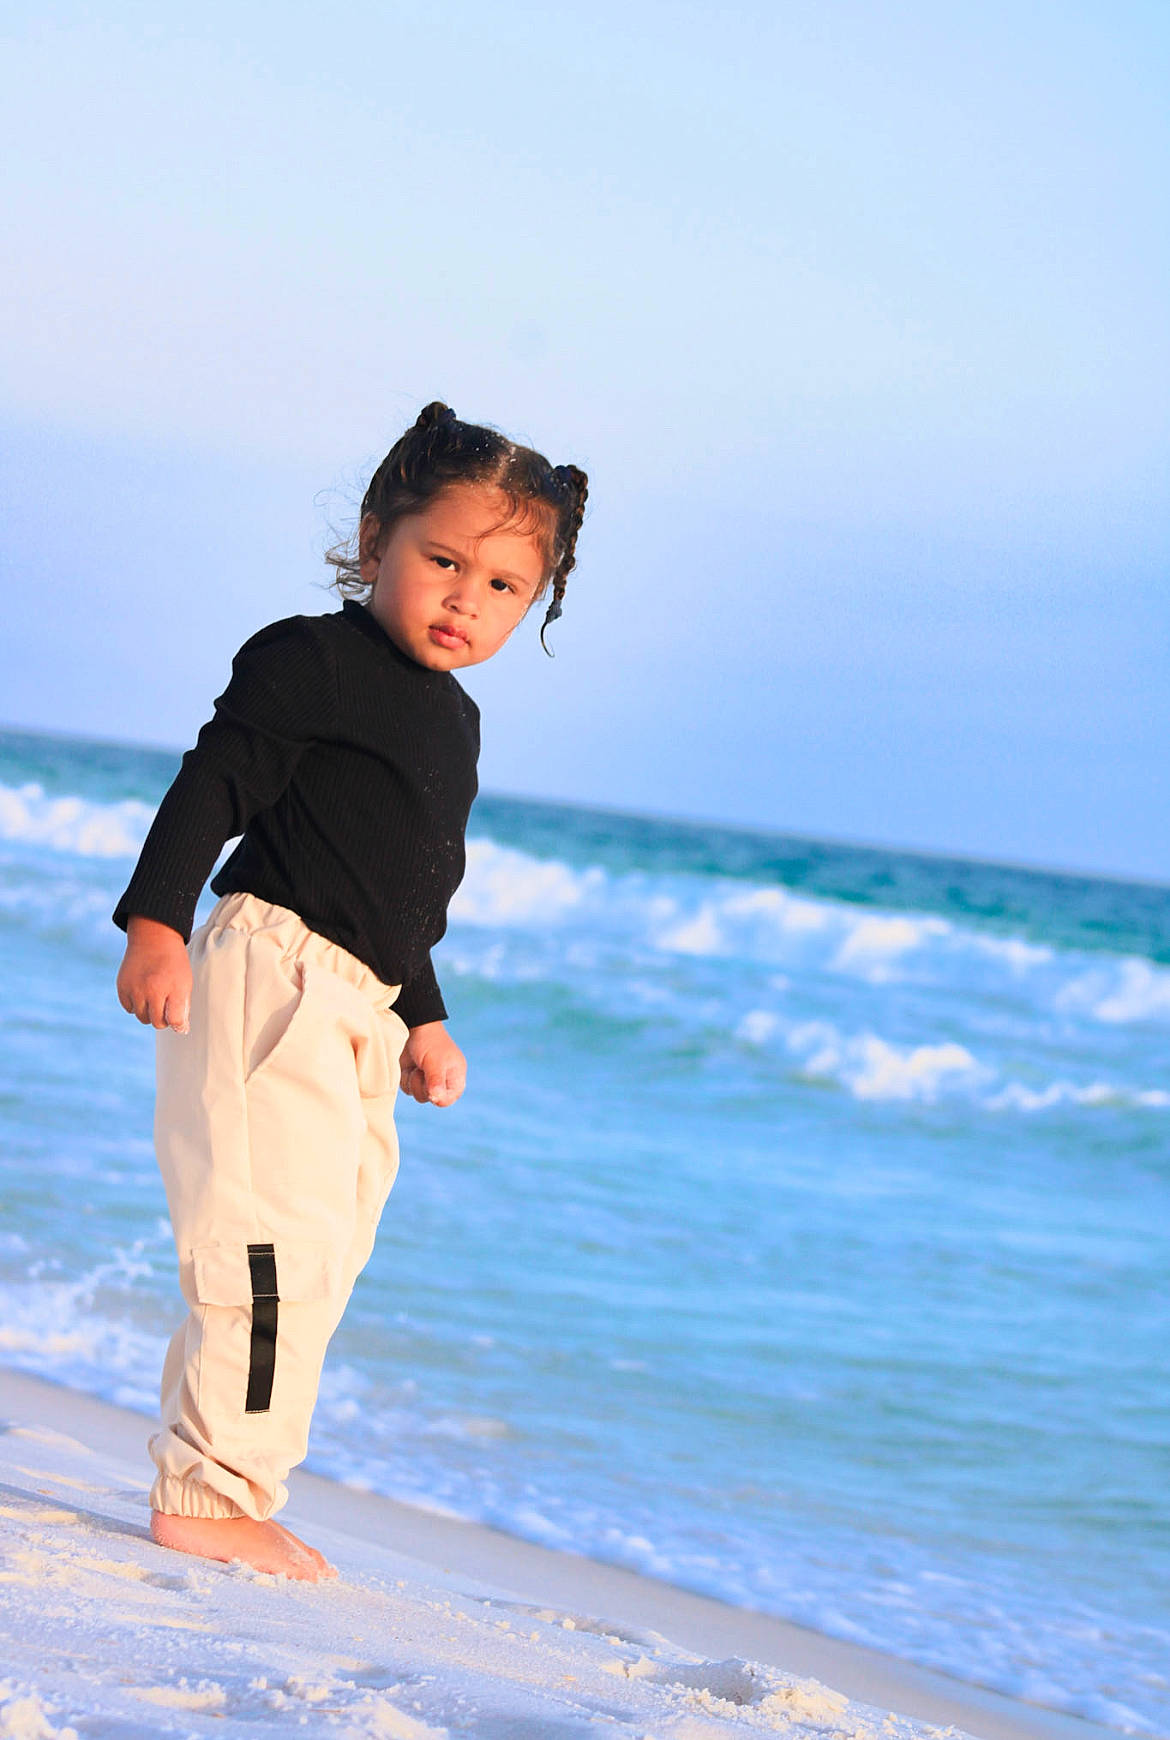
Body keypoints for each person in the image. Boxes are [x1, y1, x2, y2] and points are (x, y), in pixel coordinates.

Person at [113, 401, 588, 1581]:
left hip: (357, 1006)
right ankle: (210, 1496)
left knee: (317, 1252)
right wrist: (158, 924)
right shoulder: (313, 659)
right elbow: (215, 784)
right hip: (272, 979)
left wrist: (421, 1014)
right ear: (377, 538)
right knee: (263, 1249)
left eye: (503, 585)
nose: (465, 598)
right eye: (444, 561)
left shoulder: (455, 722)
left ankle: (222, 1476)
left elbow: (391, 888)